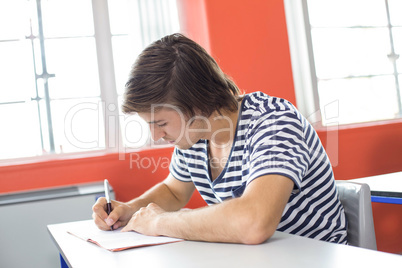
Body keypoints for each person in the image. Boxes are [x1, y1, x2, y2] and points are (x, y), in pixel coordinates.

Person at [92, 33, 348, 245]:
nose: (156, 136)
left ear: (198, 105)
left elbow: (254, 222)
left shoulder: (274, 122)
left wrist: (159, 222)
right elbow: (173, 191)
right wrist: (132, 209)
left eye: (160, 123)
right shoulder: (194, 137)